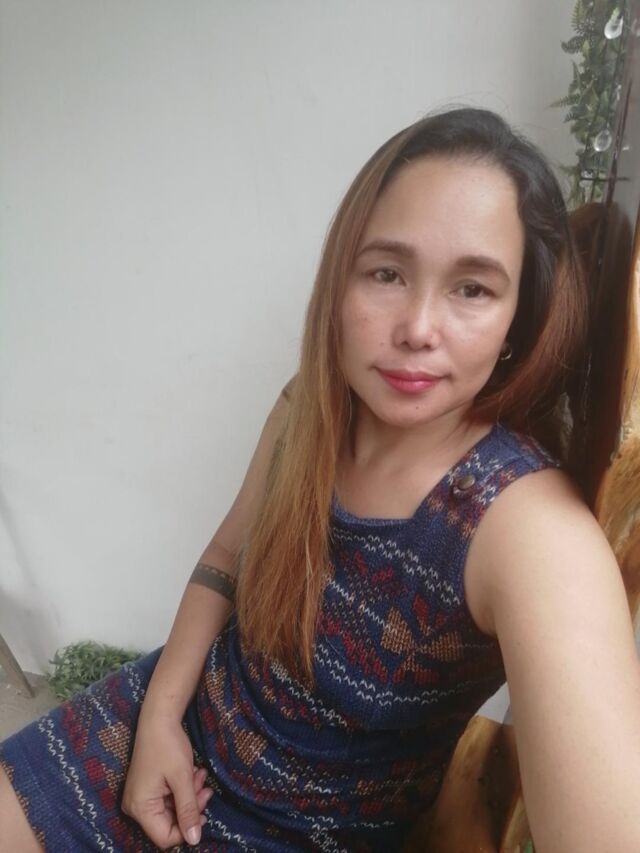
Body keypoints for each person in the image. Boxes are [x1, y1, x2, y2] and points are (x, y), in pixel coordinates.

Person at [2, 106, 640, 853]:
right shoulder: (310, 405)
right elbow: (226, 559)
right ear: (340, 281)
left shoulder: (526, 530)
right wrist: (159, 720)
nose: (418, 328)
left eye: (472, 289)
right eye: (387, 273)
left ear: (518, 318)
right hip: (175, 712)